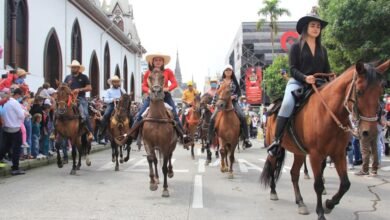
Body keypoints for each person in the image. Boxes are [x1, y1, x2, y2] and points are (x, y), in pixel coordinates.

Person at [267, 12, 331, 157]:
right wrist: (305, 78)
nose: (316, 28)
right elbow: (292, 69)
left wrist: (332, 80)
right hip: (297, 82)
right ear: (305, 28)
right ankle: (277, 141)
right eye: (313, 25)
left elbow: (327, 70)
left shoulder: (323, 50)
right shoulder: (296, 46)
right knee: (287, 104)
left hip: (319, 84)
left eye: (318, 26)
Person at [131, 52, 187, 141]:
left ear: (163, 62)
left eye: (160, 60)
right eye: (156, 60)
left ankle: (183, 136)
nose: (158, 62)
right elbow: (144, 85)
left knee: (175, 116)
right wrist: (148, 90)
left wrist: (166, 89)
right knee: (139, 115)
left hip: (165, 96)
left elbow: (175, 83)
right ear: (152, 62)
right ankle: (131, 135)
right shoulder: (148, 72)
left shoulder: (168, 71)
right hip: (152, 95)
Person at [208, 64, 252, 148]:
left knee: (242, 116)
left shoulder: (234, 82)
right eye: (226, 70)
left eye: (230, 70)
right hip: (222, 102)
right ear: (224, 72)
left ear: (232, 72)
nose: (228, 72)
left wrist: (233, 97)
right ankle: (210, 138)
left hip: (233, 102)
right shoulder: (220, 82)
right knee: (212, 118)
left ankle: (246, 139)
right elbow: (216, 94)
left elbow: (239, 93)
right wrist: (212, 104)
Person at [64, 60, 93, 140]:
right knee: (59, 111)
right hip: (69, 98)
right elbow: (64, 87)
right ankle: (55, 132)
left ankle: (90, 132)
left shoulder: (84, 77)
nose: (73, 69)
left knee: (85, 114)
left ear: (78, 68)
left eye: (75, 67)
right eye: (72, 67)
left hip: (80, 98)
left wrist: (79, 90)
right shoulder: (68, 77)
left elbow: (89, 88)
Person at [0, 88, 27, 175]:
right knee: (16, 149)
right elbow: (21, 115)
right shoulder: (14, 103)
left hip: (6, 128)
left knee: (5, 147)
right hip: (15, 128)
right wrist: (25, 114)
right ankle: (15, 168)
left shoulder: (4, 103)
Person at [97, 75, 126, 143]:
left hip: (121, 105)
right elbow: (104, 99)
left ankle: (131, 133)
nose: (116, 83)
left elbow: (126, 97)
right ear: (112, 83)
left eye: (117, 82)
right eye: (115, 82)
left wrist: (123, 99)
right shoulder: (108, 91)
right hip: (112, 105)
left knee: (130, 115)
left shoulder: (122, 90)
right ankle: (101, 134)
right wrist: (112, 99)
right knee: (106, 115)